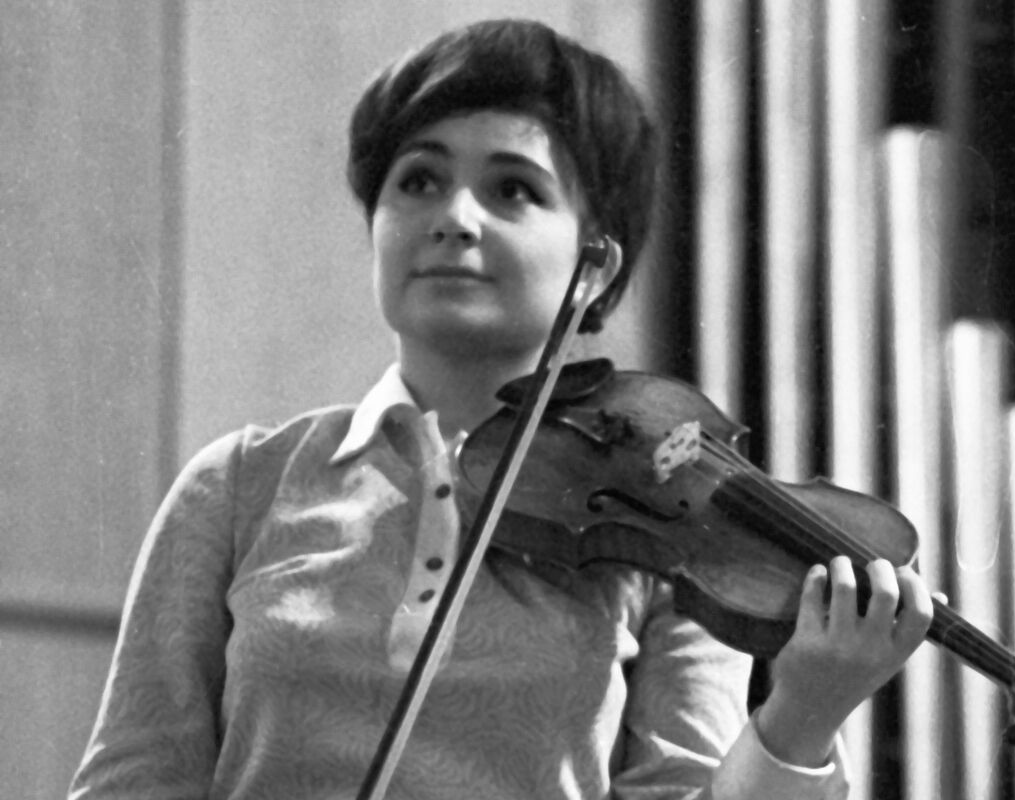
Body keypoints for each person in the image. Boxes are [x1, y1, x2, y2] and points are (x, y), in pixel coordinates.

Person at [69, 18, 932, 800]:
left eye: (513, 189)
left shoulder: (665, 545)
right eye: (418, 180)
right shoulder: (241, 485)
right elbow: (131, 782)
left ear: (595, 263)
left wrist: (803, 716)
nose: (455, 217)